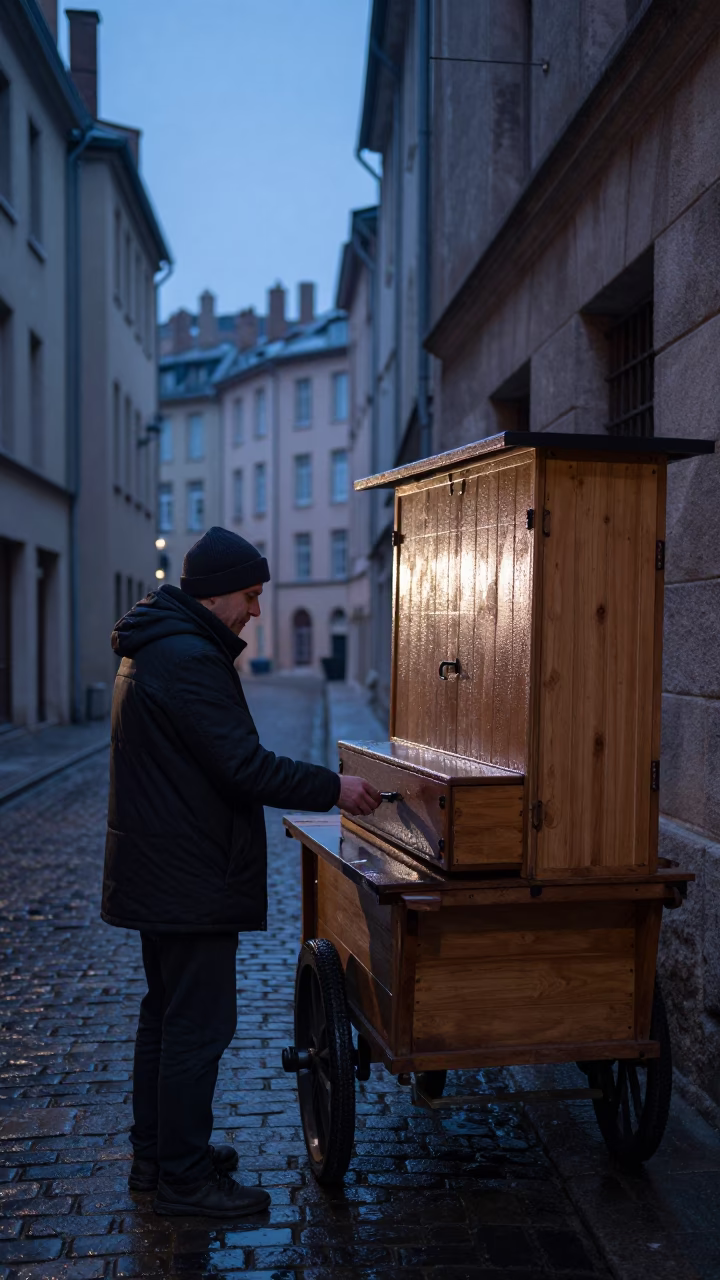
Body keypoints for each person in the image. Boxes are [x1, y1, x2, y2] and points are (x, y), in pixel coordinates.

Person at [101, 527, 381, 1218]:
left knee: (166, 1017)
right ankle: (184, 1180)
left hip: (163, 868)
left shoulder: (157, 645)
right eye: (250, 596)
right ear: (216, 593)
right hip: (189, 873)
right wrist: (335, 788)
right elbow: (245, 766)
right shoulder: (190, 657)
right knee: (198, 1027)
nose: (255, 611)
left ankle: (158, 1158)